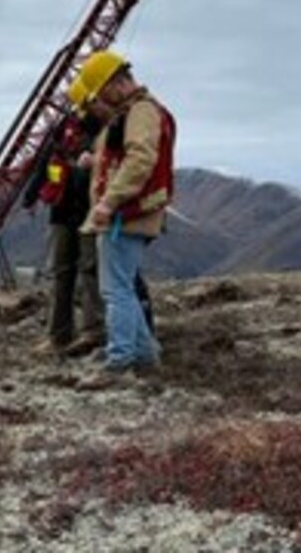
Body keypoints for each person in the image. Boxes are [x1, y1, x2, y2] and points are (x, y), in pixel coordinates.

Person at [79, 50, 177, 384]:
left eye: (102, 92)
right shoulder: (136, 112)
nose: (101, 100)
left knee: (116, 290)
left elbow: (140, 159)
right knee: (122, 287)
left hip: (125, 214)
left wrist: (109, 202)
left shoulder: (141, 111)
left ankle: (120, 362)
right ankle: (144, 355)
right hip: (128, 212)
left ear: (113, 83)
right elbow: (130, 157)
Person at [23, 77, 104, 358]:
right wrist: (31, 195)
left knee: (90, 272)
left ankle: (94, 332)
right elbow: (44, 161)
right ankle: (59, 335)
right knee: (62, 273)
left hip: (89, 211)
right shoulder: (63, 130)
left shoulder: (103, 128)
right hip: (62, 211)